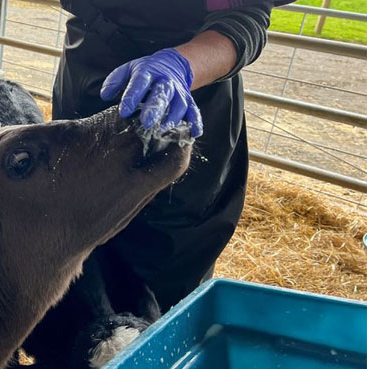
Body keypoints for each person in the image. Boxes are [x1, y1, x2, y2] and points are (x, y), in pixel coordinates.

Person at [18, 0, 295, 367]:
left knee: (160, 280)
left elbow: (243, 16)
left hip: (183, 90)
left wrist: (182, 65)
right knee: (76, 255)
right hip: (90, 72)